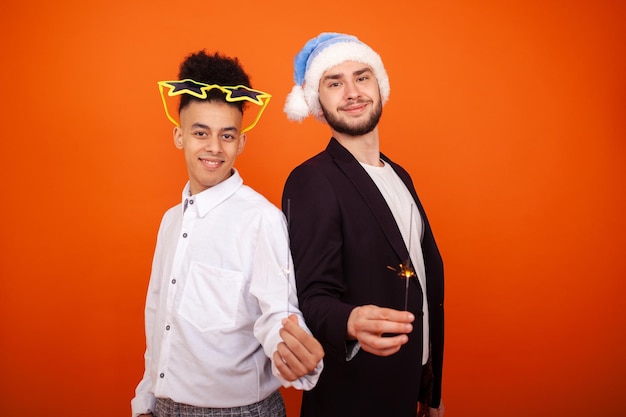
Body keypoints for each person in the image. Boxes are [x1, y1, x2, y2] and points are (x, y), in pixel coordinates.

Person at [131, 50, 324, 417]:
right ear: (179, 135)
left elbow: (277, 313)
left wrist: (293, 351)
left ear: (241, 143)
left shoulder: (261, 219)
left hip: (240, 410)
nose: (214, 148)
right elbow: (158, 318)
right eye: (200, 133)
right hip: (163, 407)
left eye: (227, 135)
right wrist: (146, 401)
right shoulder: (171, 220)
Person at [281, 32, 445, 417]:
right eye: (334, 83)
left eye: (362, 77)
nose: (352, 92)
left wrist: (429, 388)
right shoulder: (311, 180)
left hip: (407, 390)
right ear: (317, 103)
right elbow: (310, 296)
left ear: (380, 86)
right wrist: (350, 320)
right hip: (352, 398)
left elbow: (420, 281)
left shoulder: (400, 175)